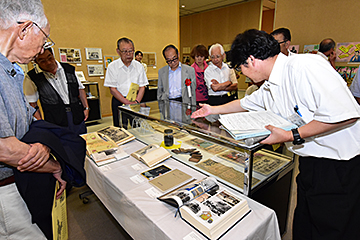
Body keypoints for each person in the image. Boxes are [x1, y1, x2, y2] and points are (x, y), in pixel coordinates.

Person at [192, 29, 360, 240]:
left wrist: (291, 135)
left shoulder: (306, 66)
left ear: (251, 60)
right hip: (309, 162)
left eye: (241, 68)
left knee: (334, 229)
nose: (243, 74)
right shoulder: (270, 83)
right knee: (305, 225)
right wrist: (212, 110)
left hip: (339, 166)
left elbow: (345, 114)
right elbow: (245, 103)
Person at [0, 0, 66, 239]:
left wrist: (43, 143)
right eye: (45, 39)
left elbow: (31, 123)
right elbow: (5, 149)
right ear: (25, 29)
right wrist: (55, 166)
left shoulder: (12, 71)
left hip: (21, 184)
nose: (42, 50)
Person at [24, 48, 89, 135]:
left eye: (49, 58)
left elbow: (80, 89)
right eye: (42, 61)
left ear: (53, 55)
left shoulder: (69, 69)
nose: (48, 62)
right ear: (35, 62)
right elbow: (32, 104)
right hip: (55, 118)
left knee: (81, 140)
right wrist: (40, 122)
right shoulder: (32, 77)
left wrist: (86, 107)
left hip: (76, 113)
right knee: (62, 144)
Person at [104, 37, 148, 127]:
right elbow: (112, 89)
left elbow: (142, 87)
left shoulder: (139, 66)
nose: (128, 54)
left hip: (135, 100)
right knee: (120, 128)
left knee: (136, 126)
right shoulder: (112, 67)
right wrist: (126, 102)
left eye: (131, 51)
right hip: (119, 101)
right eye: (124, 51)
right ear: (118, 51)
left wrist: (136, 102)